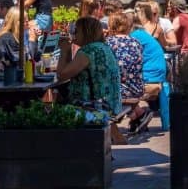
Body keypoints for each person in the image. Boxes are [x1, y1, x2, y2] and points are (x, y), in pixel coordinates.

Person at [56, 16, 126, 144]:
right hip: (110, 105)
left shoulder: (88, 51)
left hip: (94, 107)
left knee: (52, 113)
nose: (74, 33)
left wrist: (64, 51)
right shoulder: (104, 47)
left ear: (86, 32)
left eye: (77, 30)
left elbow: (61, 76)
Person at [130, 10, 167, 132]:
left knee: (120, 87)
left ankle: (139, 113)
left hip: (150, 77)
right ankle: (137, 116)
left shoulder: (134, 36)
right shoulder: (141, 33)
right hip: (157, 73)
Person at [106, 12, 146, 121]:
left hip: (120, 92)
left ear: (112, 25)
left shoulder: (109, 43)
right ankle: (136, 114)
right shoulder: (136, 42)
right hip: (138, 89)